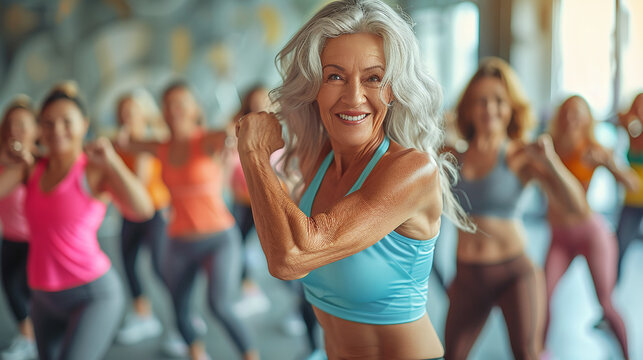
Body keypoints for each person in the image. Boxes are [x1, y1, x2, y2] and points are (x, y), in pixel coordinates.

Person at [235, 1, 474, 358]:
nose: (354, 96)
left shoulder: (414, 170)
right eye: (335, 76)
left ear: (393, 89)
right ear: (314, 85)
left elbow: (291, 257)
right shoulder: (317, 160)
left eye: (373, 78)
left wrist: (254, 154)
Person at [444, 57, 588, 360]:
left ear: (511, 108)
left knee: (527, 354)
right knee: (453, 355)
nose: (489, 109)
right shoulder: (452, 156)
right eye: (480, 101)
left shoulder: (521, 154)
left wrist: (550, 162)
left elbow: (578, 207)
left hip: (515, 273)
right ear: (468, 107)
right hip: (467, 276)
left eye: (498, 100)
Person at [0, 82, 154, 360]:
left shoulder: (94, 170)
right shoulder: (30, 168)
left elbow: (143, 209)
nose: (57, 129)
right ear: (39, 130)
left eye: (66, 122)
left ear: (84, 124)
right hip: (42, 297)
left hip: (92, 294)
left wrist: (113, 162)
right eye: (48, 123)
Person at [118, 81, 259, 360]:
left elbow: (227, 135)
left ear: (194, 108)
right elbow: (128, 142)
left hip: (219, 238)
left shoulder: (206, 139)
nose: (174, 110)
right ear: (162, 111)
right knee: (178, 307)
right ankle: (196, 354)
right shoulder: (161, 147)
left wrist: (232, 137)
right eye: (168, 104)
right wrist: (125, 125)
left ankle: (250, 355)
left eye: (181, 103)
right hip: (179, 241)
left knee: (219, 305)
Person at [546, 95, 633, 359]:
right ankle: (539, 352)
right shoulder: (549, 148)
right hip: (560, 237)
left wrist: (609, 164)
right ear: (559, 117)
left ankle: (629, 354)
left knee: (606, 304)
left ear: (587, 120)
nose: (572, 118)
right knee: (541, 297)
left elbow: (632, 184)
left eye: (578, 113)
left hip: (591, 234)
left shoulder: (592, 148)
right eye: (567, 112)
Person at [113, 90, 171, 345]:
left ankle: (183, 320)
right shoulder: (120, 142)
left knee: (160, 268)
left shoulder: (147, 142)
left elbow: (138, 181)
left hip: (153, 211)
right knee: (128, 263)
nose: (127, 117)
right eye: (123, 112)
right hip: (129, 213)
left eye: (132, 112)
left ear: (143, 114)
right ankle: (143, 315)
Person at [227, 85, 271, 317]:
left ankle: (300, 300)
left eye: (263, 99)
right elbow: (229, 155)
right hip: (242, 198)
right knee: (239, 244)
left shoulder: (276, 125)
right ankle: (250, 291)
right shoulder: (238, 125)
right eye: (255, 100)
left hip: (267, 198)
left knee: (276, 248)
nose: (259, 104)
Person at [0, 95, 38, 360]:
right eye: (11, 124)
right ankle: (29, 337)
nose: (16, 129)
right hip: (10, 237)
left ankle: (34, 337)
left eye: (22, 124)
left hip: (36, 240)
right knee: (11, 288)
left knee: (24, 289)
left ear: (35, 128)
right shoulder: (3, 161)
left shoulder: (42, 161)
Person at [615, 92, 643, 282]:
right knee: (619, 246)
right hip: (632, 199)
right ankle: (609, 293)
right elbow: (617, 116)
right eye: (638, 106)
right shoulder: (633, 131)